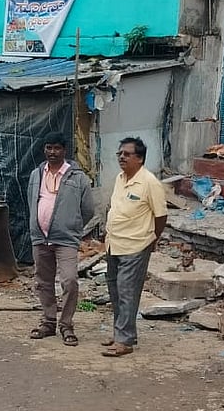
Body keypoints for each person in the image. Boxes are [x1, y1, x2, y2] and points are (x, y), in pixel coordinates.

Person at [100, 137, 168, 357]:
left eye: (127, 154)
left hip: (136, 245)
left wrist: (152, 238)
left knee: (127, 292)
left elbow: (161, 216)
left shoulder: (150, 183)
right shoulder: (120, 178)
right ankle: (121, 333)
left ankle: (125, 341)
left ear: (139, 158)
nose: (121, 157)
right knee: (115, 291)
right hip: (114, 244)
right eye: (120, 153)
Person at [26, 132, 94, 347]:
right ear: (44, 149)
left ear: (65, 150)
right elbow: (31, 201)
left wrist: (71, 226)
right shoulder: (36, 174)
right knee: (43, 281)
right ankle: (48, 322)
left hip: (66, 238)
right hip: (40, 237)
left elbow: (88, 210)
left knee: (70, 280)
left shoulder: (78, 177)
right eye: (49, 147)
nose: (52, 152)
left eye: (57, 148)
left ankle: (66, 325)